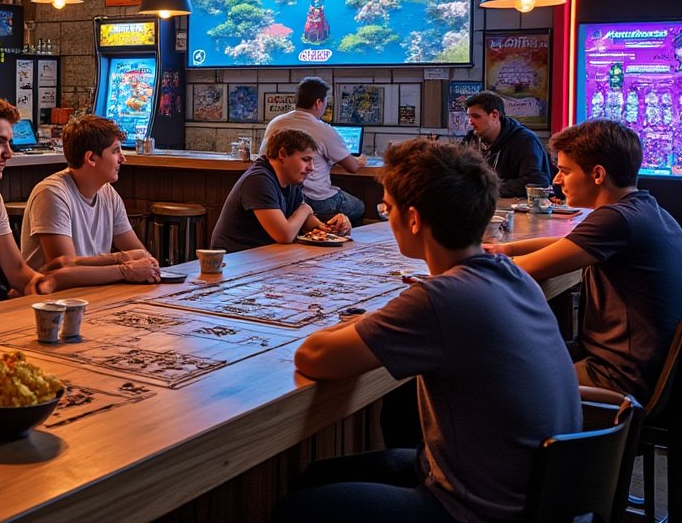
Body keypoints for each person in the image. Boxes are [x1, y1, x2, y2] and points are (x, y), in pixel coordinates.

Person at [274, 139, 580, 523]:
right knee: (321, 475)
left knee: (297, 509)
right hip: (538, 495)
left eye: (388, 208)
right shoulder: (513, 276)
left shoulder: (442, 298)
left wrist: (363, 325)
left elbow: (313, 358)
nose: (388, 216)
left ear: (414, 219)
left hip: (477, 510)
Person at [0, 93, 158, 319]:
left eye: (9, 142)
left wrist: (43, 288)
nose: (9, 152)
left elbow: (17, 271)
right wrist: (13, 323)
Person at [486, 118, 682, 403]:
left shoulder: (615, 220)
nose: (556, 180)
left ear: (598, 174)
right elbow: (567, 245)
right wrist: (505, 250)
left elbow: (522, 271)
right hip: (645, 367)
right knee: (513, 354)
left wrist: (460, 266)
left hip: (618, 376)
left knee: (487, 373)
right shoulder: (644, 209)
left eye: (565, 170)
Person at [21, 115, 157, 272]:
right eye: (115, 151)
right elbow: (64, 270)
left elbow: (140, 255)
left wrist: (149, 266)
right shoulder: (51, 194)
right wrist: (123, 267)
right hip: (53, 296)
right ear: (91, 158)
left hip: (93, 290)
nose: (123, 159)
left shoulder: (108, 193)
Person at [211, 128, 350, 253]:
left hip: (264, 256)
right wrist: (305, 209)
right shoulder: (259, 180)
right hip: (234, 262)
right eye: (306, 159)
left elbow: (306, 223)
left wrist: (334, 227)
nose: (311, 167)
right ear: (282, 154)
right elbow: (285, 235)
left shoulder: (291, 179)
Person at [259, 77, 367, 225]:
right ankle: (343, 241)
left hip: (280, 195)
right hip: (317, 199)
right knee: (359, 207)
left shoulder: (276, 123)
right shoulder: (324, 130)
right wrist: (359, 161)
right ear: (318, 103)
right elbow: (352, 167)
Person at [463, 90, 554, 197]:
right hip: (485, 204)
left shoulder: (525, 140)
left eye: (476, 116)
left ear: (494, 115)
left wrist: (487, 189)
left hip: (519, 209)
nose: (470, 122)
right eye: (469, 116)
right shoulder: (471, 139)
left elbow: (536, 181)